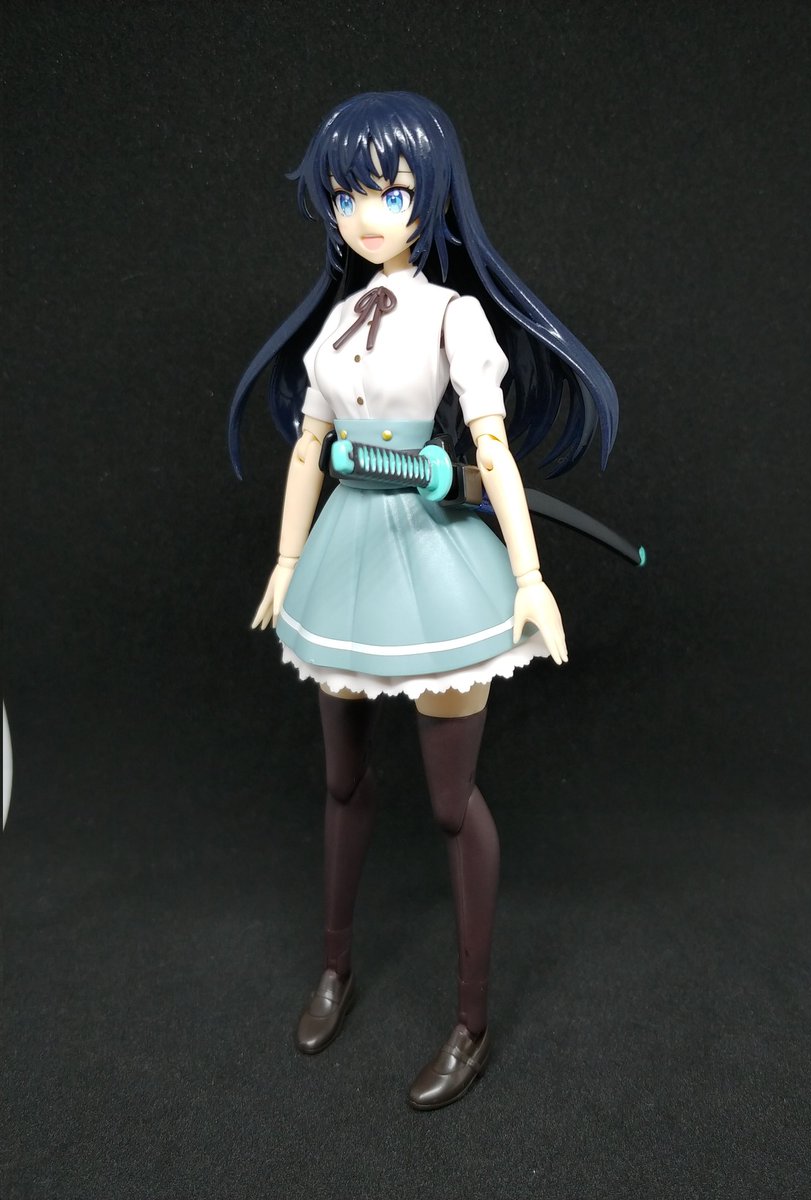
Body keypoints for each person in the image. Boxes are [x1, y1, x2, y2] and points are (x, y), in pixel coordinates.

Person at [229, 91, 618, 1109]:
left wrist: (530, 578)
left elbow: (493, 450)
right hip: (345, 556)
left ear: (429, 197)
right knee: (342, 780)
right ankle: (335, 966)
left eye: (390, 192)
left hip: (434, 557)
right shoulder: (333, 324)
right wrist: (285, 560)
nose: (367, 213)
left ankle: (471, 1022)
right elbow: (309, 449)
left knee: (452, 802)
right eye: (347, 193)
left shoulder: (455, 316)